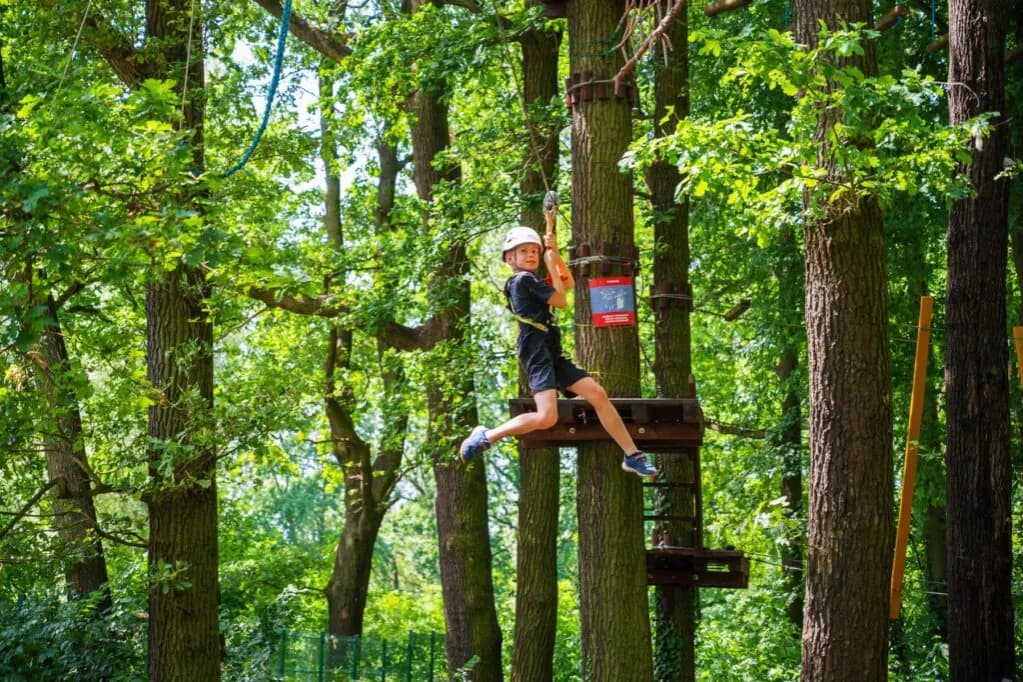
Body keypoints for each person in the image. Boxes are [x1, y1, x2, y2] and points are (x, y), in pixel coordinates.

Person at [459, 226, 657, 478]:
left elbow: (568, 282)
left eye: (534, 251)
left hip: (549, 348)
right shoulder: (523, 280)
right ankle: (487, 435)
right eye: (524, 251)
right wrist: (550, 263)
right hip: (536, 350)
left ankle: (632, 455)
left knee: (597, 394)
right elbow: (562, 301)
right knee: (547, 417)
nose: (531, 255)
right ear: (510, 258)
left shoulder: (532, 282)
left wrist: (554, 253)